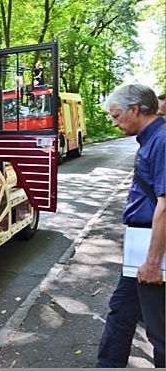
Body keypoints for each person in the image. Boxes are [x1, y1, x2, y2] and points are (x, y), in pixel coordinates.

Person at [96, 84, 165, 368]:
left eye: (115, 115)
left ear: (134, 110)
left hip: (153, 253)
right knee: (120, 312)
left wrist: (152, 261)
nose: (113, 122)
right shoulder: (153, 139)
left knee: (160, 331)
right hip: (141, 249)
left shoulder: (161, 141)